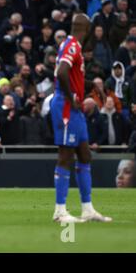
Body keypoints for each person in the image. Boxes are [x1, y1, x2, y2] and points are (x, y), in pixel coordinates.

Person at [50, 13, 111, 223]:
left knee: (84, 154)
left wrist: (91, 86)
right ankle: (60, 211)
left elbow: (71, 75)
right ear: (86, 29)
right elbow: (62, 73)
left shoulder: (71, 45)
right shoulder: (73, 46)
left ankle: (87, 208)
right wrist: (70, 98)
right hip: (66, 106)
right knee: (66, 155)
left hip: (73, 108)